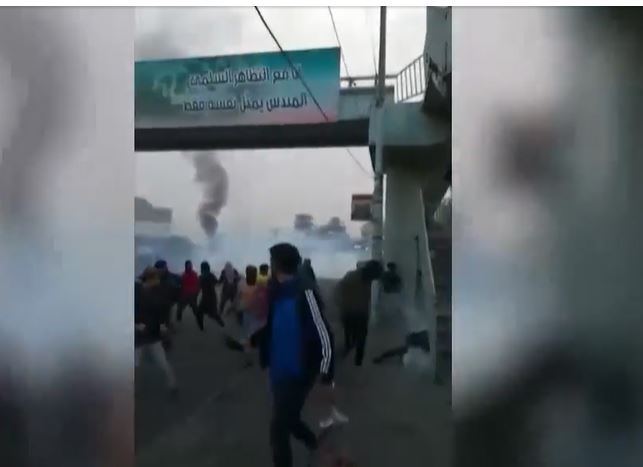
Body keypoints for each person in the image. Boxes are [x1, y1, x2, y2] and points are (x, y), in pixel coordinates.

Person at [260, 243, 334, 467]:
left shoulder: (306, 293)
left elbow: (324, 334)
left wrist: (325, 373)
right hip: (278, 369)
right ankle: (314, 442)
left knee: (278, 429)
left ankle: (308, 447)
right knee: (289, 419)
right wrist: (256, 344)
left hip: (300, 372)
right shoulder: (275, 292)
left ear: (276, 265)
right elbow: (272, 327)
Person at [135, 267, 178, 398]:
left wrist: (162, 327)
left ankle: (172, 385)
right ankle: (172, 385)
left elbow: (161, 312)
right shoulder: (139, 291)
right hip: (144, 334)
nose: (158, 281)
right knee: (156, 361)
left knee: (158, 361)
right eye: (156, 279)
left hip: (148, 334)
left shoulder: (151, 292)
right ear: (151, 279)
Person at [335, 260, 383, 366]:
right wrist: (341, 305)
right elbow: (338, 291)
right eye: (375, 276)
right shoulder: (352, 277)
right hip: (350, 311)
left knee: (359, 336)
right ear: (371, 271)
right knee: (354, 335)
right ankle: (350, 355)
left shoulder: (365, 278)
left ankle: (357, 360)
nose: (374, 279)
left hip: (358, 312)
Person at [238, 265, 269, 366]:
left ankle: (254, 355)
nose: (253, 275)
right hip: (249, 313)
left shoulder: (259, 285)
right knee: (249, 336)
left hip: (256, 314)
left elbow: (265, 298)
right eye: (251, 273)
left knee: (254, 335)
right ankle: (249, 358)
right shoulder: (245, 284)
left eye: (254, 273)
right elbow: (238, 297)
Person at [178, 260, 204, 331]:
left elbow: (198, 284)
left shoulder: (194, 274)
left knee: (195, 310)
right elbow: (181, 285)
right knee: (180, 308)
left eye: (190, 265)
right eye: (188, 265)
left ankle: (200, 324)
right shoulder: (183, 275)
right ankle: (179, 319)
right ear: (186, 266)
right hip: (185, 294)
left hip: (192, 295)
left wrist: (197, 292)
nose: (189, 266)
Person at [200, 261, 224, 327]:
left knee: (201, 312)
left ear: (202, 268)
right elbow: (218, 282)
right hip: (212, 298)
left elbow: (198, 286)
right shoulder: (210, 275)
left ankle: (201, 326)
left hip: (206, 298)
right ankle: (221, 323)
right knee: (213, 314)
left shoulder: (202, 277)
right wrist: (222, 276)